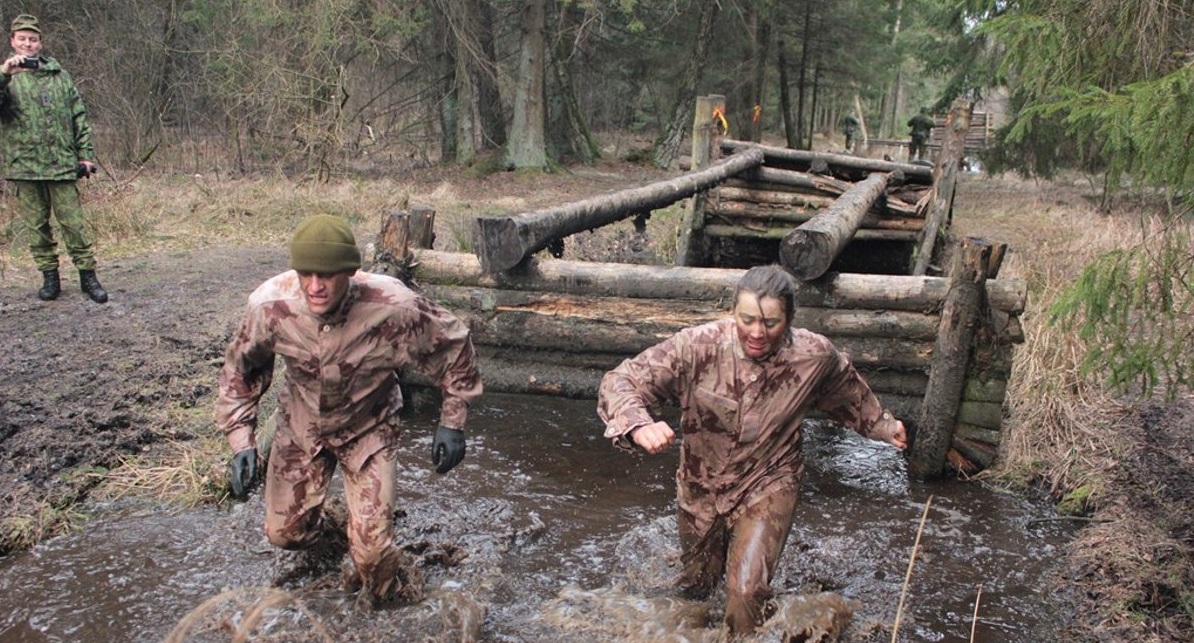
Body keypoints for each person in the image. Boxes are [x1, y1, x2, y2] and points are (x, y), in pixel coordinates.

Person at [596, 264, 907, 636]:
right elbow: (622, 379)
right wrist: (639, 424)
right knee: (697, 590)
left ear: (789, 318)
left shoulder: (814, 355)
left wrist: (884, 428)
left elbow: (848, 391)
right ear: (733, 312)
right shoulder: (696, 348)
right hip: (701, 487)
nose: (757, 333)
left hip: (769, 480)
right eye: (747, 320)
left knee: (745, 593)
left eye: (771, 323)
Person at [216, 214, 483, 608]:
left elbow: (454, 347)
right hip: (302, 425)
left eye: (327, 275)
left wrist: (452, 423)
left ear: (350, 273)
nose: (315, 286)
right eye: (306, 274)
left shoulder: (393, 306)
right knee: (284, 533)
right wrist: (242, 441)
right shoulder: (270, 306)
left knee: (373, 558)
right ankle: (339, 532)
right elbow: (240, 370)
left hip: (368, 427)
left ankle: (383, 590)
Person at [0, 14, 106, 303]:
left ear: (40, 43)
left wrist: (85, 155)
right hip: (25, 166)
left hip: (61, 165)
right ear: (12, 41)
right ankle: (50, 278)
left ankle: (88, 277)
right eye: (22, 38)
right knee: (37, 227)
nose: (27, 43)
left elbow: (78, 116)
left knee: (74, 224)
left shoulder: (60, 76)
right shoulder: (7, 77)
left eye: (32, 39)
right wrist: (5, 74)